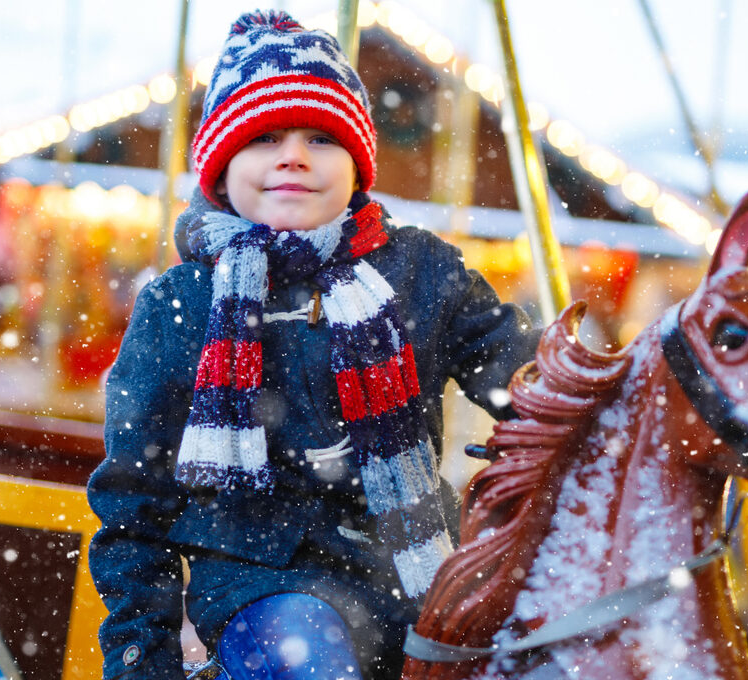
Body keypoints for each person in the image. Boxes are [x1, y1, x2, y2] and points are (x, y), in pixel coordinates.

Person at [86, 11, 540, 680]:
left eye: (321, 138)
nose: (293, 156)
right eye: (264, 137)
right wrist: (140, 655)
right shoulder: (180, 304)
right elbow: (135, 499)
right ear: (222, 167)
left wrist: (586, 386)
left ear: (357, 167)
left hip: (419, 572)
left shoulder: (421, 274)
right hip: (258, 581)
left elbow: (528, 381)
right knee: (304, 655)